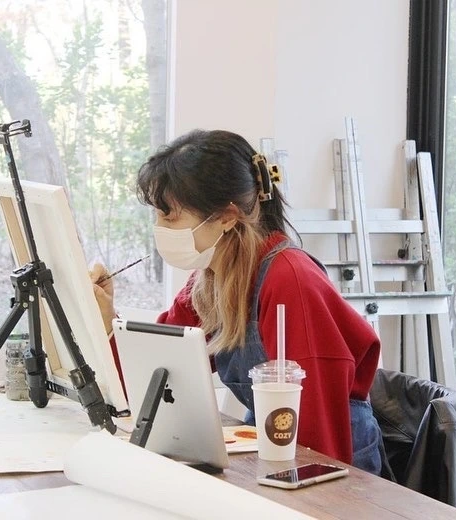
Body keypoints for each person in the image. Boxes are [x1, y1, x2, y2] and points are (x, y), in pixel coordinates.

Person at [92, 129, 383, 474]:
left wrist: (299, 486)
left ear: (227, 217)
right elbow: (155, 376)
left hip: (329, 459)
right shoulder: (208, 281)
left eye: (169, 217)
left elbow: (318, 433)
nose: (159, 228)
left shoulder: (291, 281)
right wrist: (106, 319)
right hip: (271, 440)